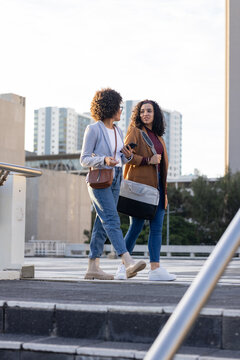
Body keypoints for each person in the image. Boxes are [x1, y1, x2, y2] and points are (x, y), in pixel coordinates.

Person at [80, 88, 146, 280]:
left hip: (116, 177)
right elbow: (84, 159)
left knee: (102, 224)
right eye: (118, 107)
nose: (121, 110)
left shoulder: (117, 131)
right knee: (111, 219)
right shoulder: (93, 129)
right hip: (99, 178)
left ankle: (93, 267)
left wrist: (126, 156)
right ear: (109, 107)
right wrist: (104, 160)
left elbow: (120, 159)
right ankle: (128, 261)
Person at [116, 100, 176, 281]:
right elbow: (125, 154)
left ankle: (155, 269)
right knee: (136, 226)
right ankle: (122, 267)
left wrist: (164, 193)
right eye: (142, 111)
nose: (145, 114)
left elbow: (163, 168)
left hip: (158, 189)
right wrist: (147, 160)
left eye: (149, 111)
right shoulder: (136, 131)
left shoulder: (159, 138)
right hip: (141, 189)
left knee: (157, 228)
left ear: (155, 114)